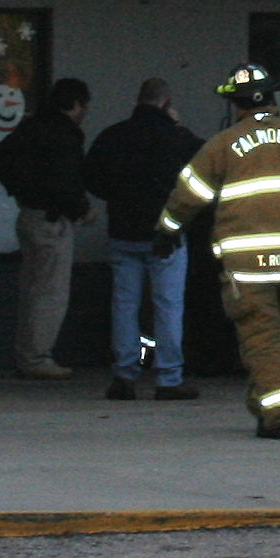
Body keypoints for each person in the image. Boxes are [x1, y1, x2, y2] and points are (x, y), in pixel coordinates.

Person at [158, 63, 280, 438]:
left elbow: (189, 193)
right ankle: (264, 407)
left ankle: (279, 415)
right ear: (274, 98)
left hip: (250, 265)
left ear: (234, 104)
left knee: (262, 337)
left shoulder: (223, 144)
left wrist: (166, 229)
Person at [85, 77, 205, 401]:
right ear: (166, 104)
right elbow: (206, 162)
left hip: (123, 232)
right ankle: (169, 378)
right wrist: (179, 127)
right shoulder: (174, 137)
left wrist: (118, 196)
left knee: (124, 305)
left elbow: (92, 179)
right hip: (166, 233)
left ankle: (124, 376)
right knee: (167, 306)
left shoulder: (113, 136)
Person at [0, 76, 94, 380]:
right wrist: (81, 210)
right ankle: (37, 357)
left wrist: (21, 190)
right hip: (51, 221)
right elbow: (65, 182)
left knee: (33, 289)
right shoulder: (64, 136)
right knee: (51, 293)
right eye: (84, 106)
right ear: (75, 105)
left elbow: (1, 157)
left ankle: (28, 354)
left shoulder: (31, 128)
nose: (85, 112)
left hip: (29, 215)